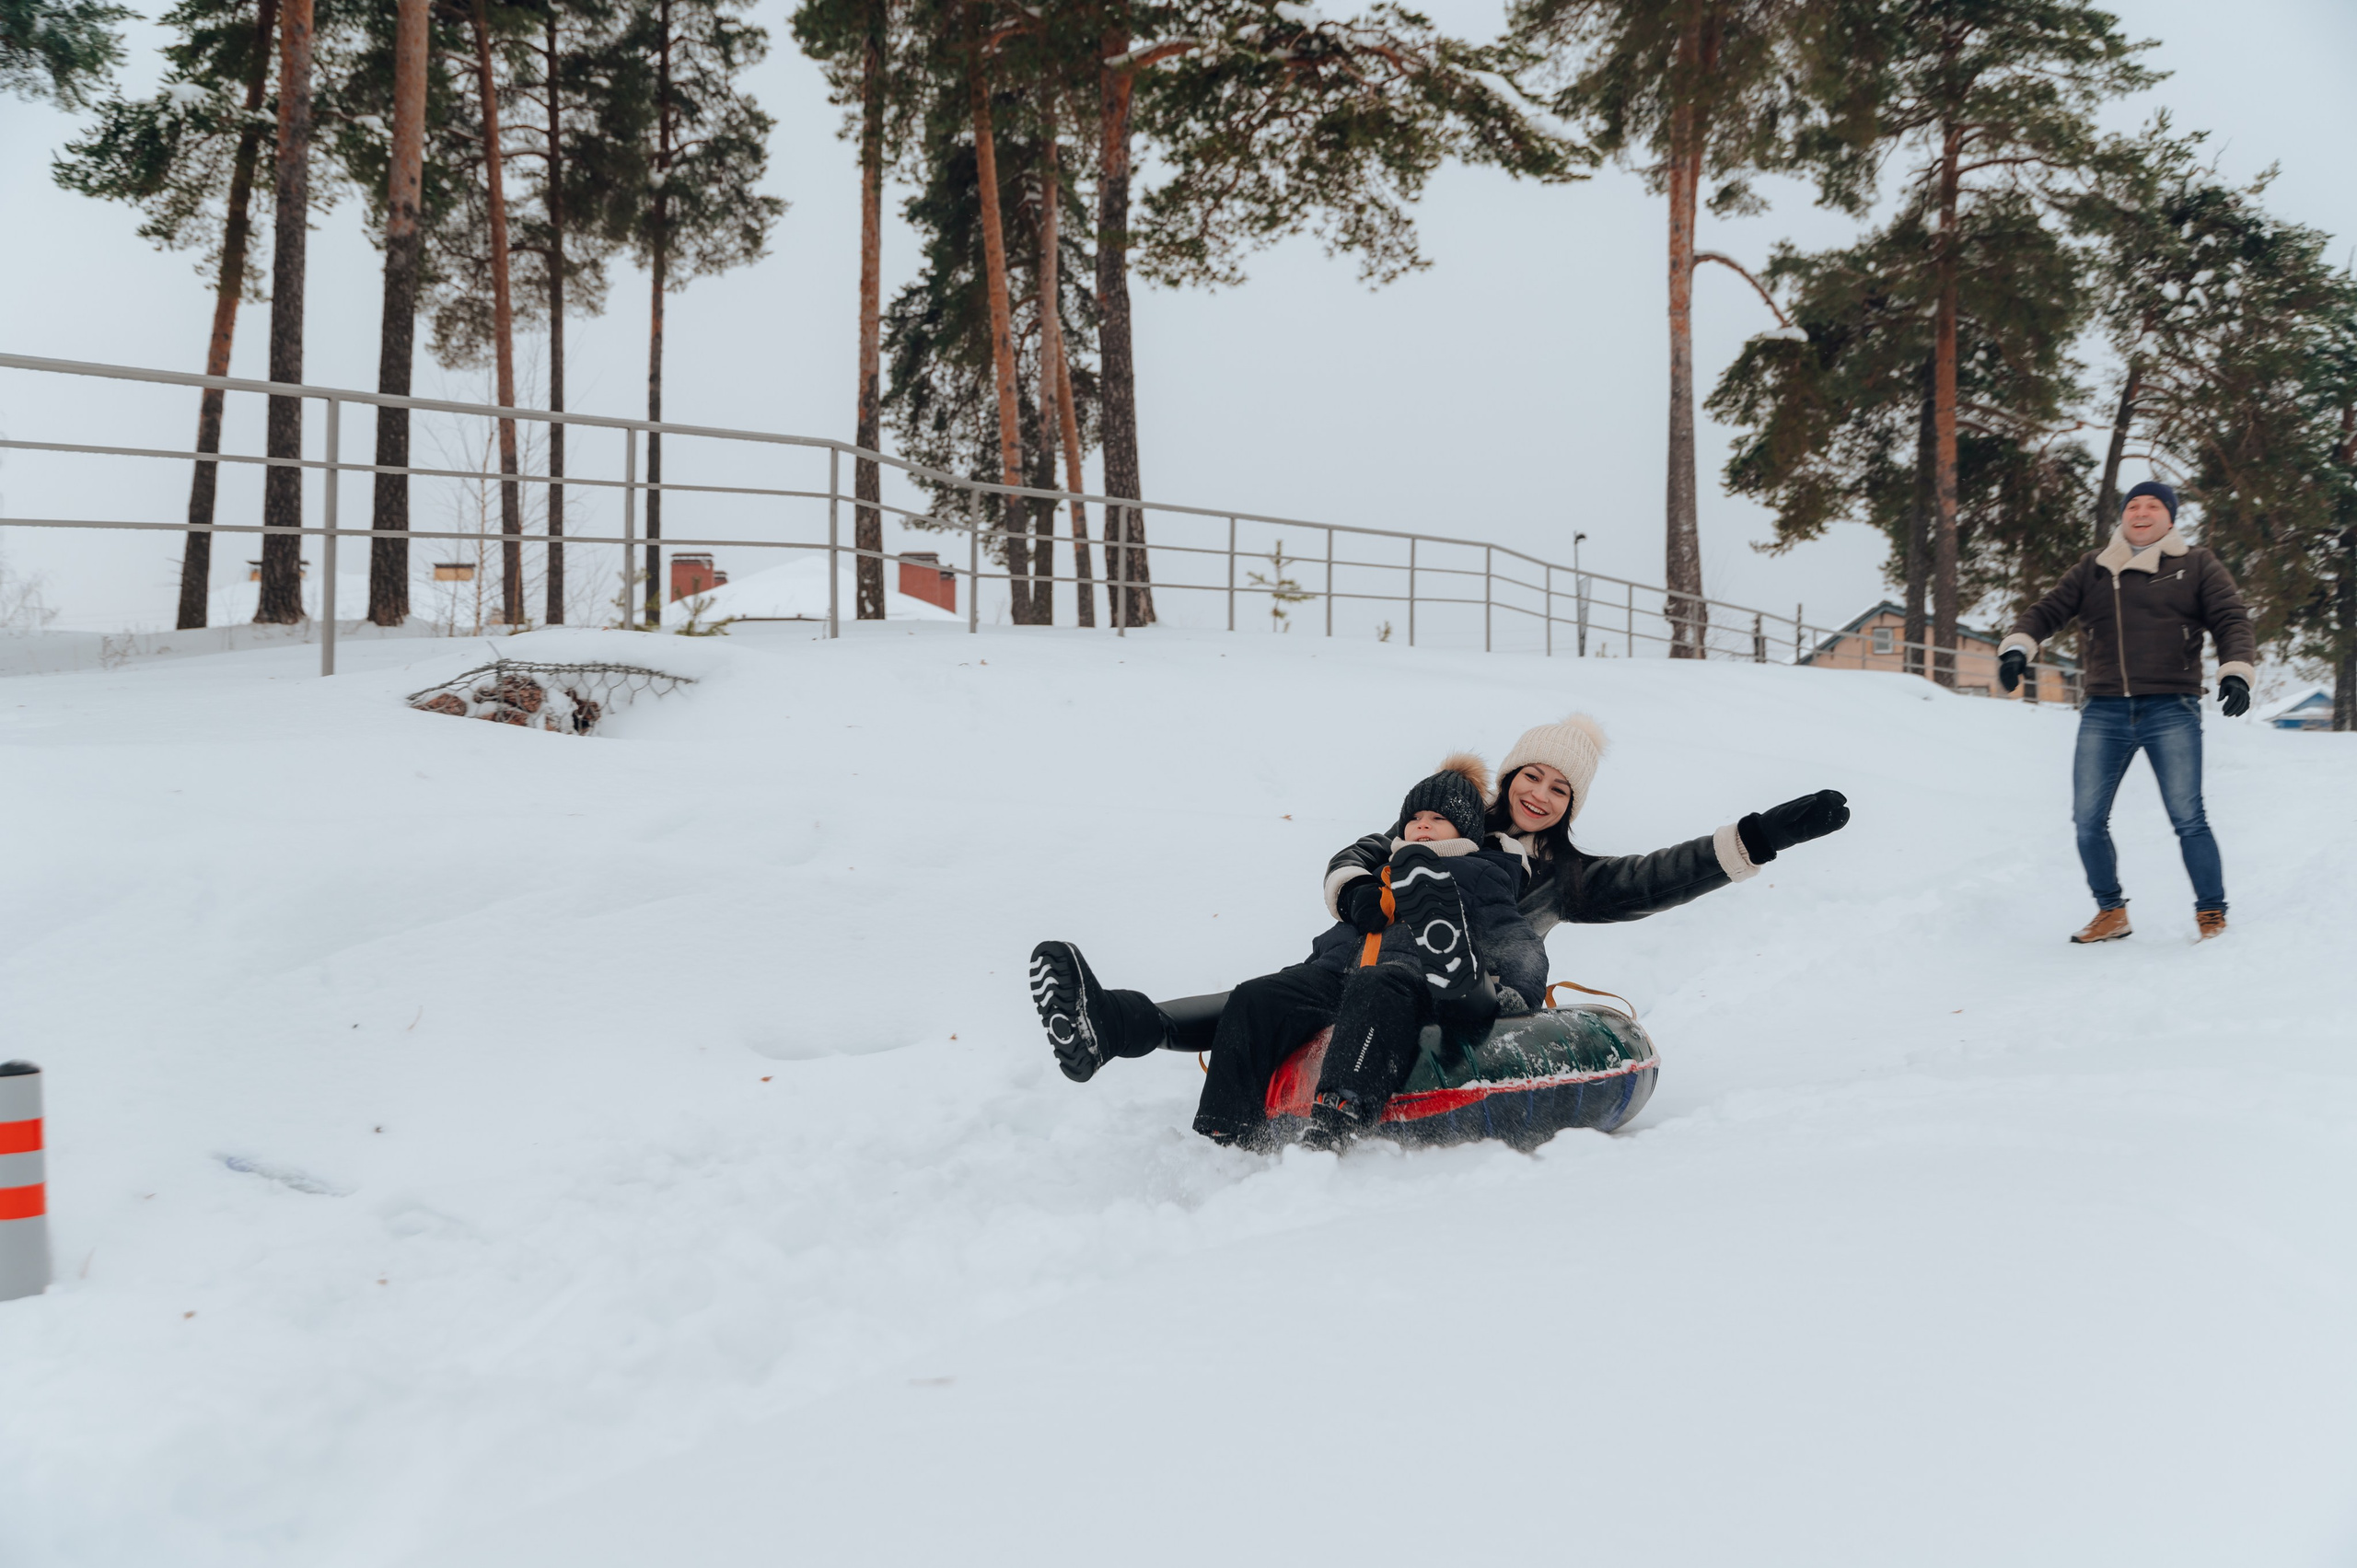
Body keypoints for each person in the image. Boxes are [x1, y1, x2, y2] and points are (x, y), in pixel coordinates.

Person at [1028, 713, 1852, 1148]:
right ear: (1508, 777)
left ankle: (1357, 1098)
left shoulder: (1559, 876)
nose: (1540, 792)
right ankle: (1115, 1030)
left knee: (1392, 989)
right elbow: (1355, 853)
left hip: (1454, 981)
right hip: (1354, 958)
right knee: (1262, 995)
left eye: (1560, 788)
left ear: (1571, 806)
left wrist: (1758, 837)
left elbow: (1656, 877)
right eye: (1531, 773)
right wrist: (1358, 893)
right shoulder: (1433, 824)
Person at [1997, 481, 2256, 944]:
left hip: (2170, 705)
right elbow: (2048, 610)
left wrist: (2235, 671)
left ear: (2170, 517)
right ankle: (2111, 911)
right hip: (2104, 709)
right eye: (2132, 505)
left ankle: (2211, 913)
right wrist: (2019, 647)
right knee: (2087, 819)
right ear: (2123, 516)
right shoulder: (2094, 569)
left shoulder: (2196, 563)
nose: (2141, 512)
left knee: (2187, 816)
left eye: (2153, 505)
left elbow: (2230, 618)